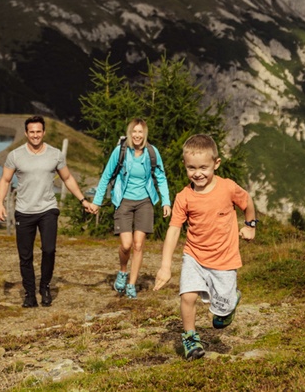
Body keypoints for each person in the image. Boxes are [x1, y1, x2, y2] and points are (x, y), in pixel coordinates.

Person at [152, 134, 257, 360]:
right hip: (194, 255)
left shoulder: (228, 188)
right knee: (188, 296)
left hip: (224, 259)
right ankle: (191, 338)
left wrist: (250, 225)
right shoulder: (183, 197)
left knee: (221, 314)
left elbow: (247, 202)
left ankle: (230, 302)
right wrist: (165, 266)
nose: (197, 173)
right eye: (191, 167)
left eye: (203, 167)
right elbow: (173, 230)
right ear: (185, 166)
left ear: (216, 164)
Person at [0, 116, 93, 308]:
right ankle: (30, 294)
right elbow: (5, 180)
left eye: (38, 131)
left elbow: (67, 178)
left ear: (44, 133)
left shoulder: (55, 154)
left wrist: (83, 200)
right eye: (31, 132)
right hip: (24, 211)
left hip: (48, 209)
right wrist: (0, 203)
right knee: (25, 256)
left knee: (49, 250)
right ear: (26, 133)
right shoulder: (15, 155)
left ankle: (45, 287)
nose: (35, 135)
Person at [87, 118, 171, 299]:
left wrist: (166, 201)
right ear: (130, 133)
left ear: (145, 134)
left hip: (145, 201)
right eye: (134, 131)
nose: (137, 135)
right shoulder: (121, 151)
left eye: (140, 132)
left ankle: (131, 285)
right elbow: (105, 177)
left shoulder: (152, 152)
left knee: (138, 244)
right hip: (123, 200)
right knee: (126, 245)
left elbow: (161, 177)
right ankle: (123, 271)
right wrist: (96, 202)